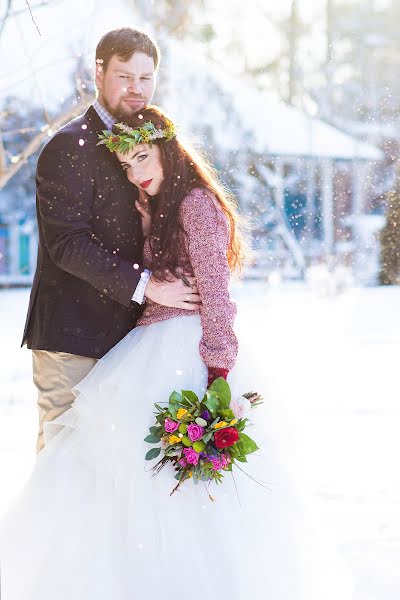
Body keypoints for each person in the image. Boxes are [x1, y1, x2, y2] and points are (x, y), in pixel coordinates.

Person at [0, 106, 356, 599]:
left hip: (188, 347)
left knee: (182, 479)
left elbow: (217, 293)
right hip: (147, 346)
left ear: (168, 148)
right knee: (122, 469)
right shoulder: (159, 205)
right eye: (127, 165)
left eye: (143, 157)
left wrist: (218, 371)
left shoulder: (196, 205)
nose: (136, 172)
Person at [21, 27, 200, 454]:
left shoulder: (153, 142)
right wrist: (148, 285)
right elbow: (68, 244)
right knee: (65, 471)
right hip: (73, 340)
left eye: (146, 78)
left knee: (113, 479)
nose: (137, 89)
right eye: (125, 76)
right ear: (98, 73)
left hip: (130, 342)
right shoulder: (68, 147)